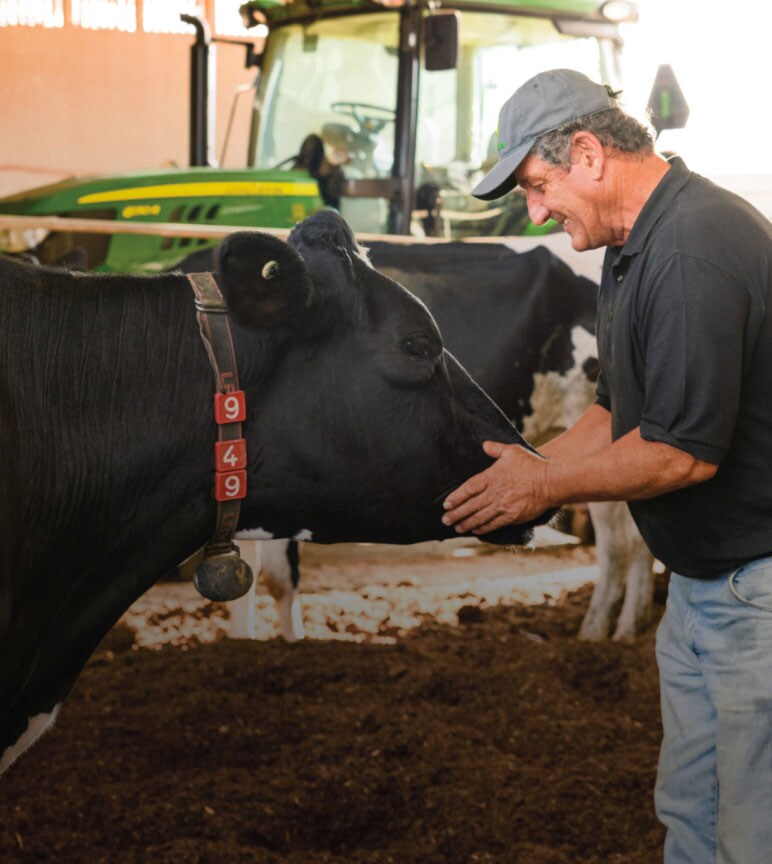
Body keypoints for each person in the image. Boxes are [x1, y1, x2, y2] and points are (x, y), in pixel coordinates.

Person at [441, 68, 772, 864]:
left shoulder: (693, 249)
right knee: (691, 812)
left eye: (537, 185)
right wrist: (523, 470)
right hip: (700, 586)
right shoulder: (634, 246)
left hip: (755, 593)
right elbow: (615, 413)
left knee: (751, 830)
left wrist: (543, 485)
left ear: (589, 154)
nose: (536, 212)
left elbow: (680, 454)